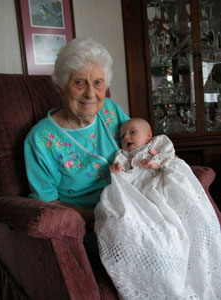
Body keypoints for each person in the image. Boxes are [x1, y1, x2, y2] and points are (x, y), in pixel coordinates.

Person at [94, 118, 221, 299]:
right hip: (138, 186)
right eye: (122, 136)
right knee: (121, 209)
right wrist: (118, 167)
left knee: (176, 192)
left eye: (132, 132)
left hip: (157, 180)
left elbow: (168, 154)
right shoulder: (123, 154)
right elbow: (120, 167)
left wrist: (157, 162)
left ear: (148, 135)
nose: (126, 138)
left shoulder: (156, 144)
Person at [24, 37, 129, 254]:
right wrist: (98, 217)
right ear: (61, 87)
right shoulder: (41, 140)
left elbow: (138, 148)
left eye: (98, 82)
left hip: (129, 206)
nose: (91, 93)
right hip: (89, 223)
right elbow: (49, 202)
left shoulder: (110, 110)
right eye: (79, 82)